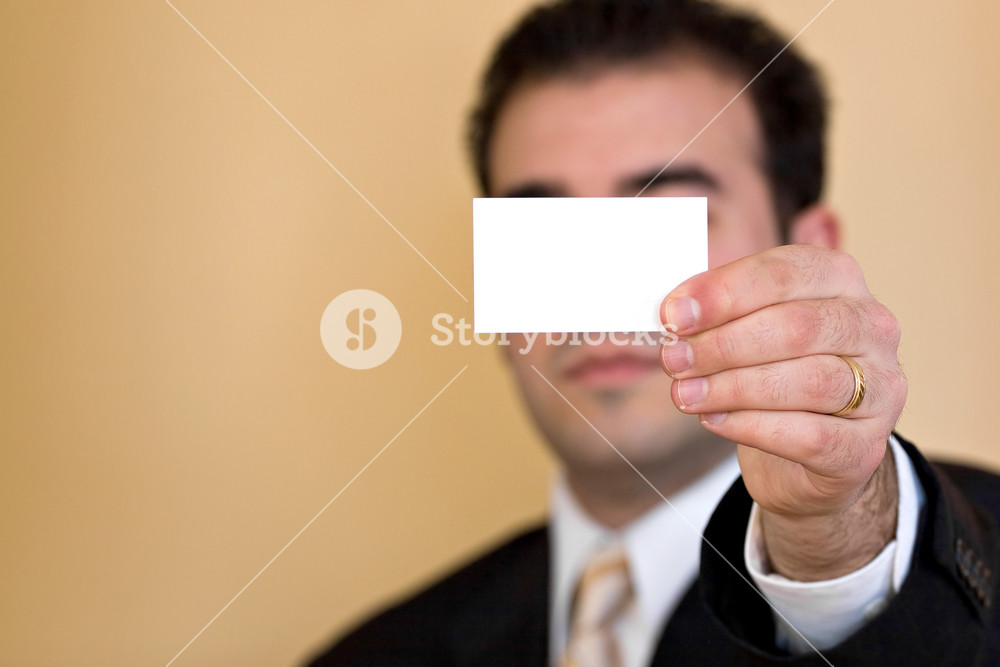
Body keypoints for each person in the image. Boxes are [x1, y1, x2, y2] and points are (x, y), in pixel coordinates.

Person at [307, 0, 1000, 664]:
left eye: (665, 220)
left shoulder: (975, 566)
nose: (598, 301)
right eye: (542, 234)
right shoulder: (375, 652)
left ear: (806, 253)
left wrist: (842, 536)